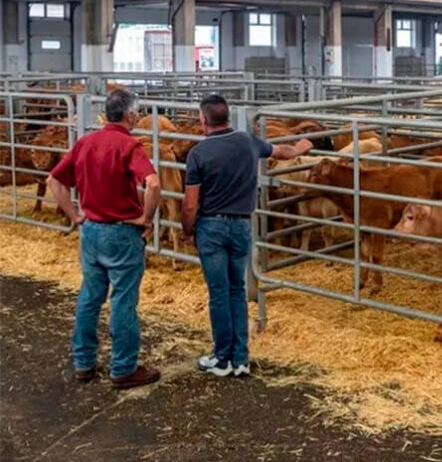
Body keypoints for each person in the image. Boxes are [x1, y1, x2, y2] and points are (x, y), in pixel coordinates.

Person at [181, 94, 313, 377]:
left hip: (211, 227)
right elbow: (282, 153)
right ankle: (241, 358)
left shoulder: (198, 154)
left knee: (219, 293)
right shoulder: (248, 142)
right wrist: (302, 147)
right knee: (237, 290)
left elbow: (191, 203)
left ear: (203, 120)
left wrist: (187, 230)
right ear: (227, 116)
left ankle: (221, 357)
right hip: (242, 225)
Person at [46, 89, 162, 389]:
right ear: (130, 115)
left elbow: (53, 180)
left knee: (89, 297)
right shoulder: (129, 145)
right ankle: (123, 368)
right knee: (123, 299)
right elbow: (152, 183)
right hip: (122, 232)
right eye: (136, 113)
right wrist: (146, 219)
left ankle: (83, 363)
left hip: (92, 230)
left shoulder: (85, 142)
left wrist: (74, 215)